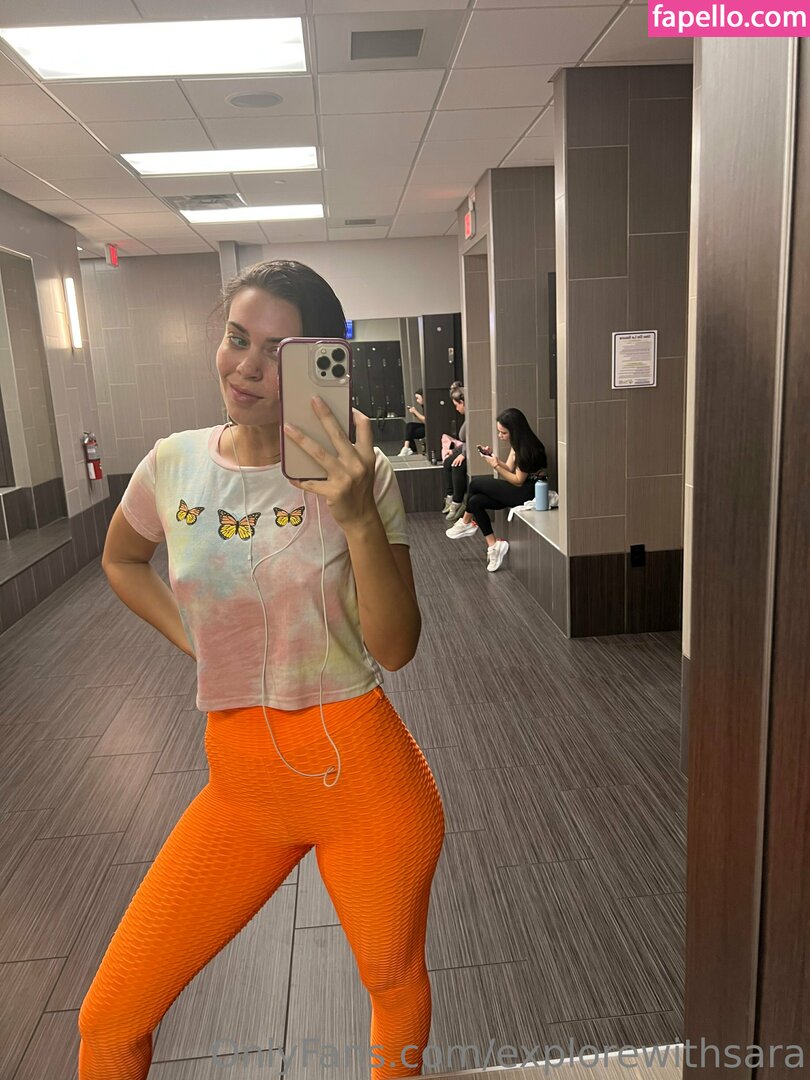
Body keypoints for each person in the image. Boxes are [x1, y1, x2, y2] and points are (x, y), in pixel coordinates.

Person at [78, 260, 446, 1080]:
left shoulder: (362, 476)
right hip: (242, 786)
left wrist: (356, 515)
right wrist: (197, 641)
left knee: (391, 983)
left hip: (365, 780)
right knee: (109, 1020)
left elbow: (396, 647)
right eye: (237, 338)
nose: (246, 366)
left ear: (318, 365)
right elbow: (122, 559)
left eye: (278, 353)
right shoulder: (172, 464)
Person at [445, 408, 547, 573]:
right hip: (520, 488)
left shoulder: (528, 448)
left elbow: (518, 481)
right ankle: (494, 545)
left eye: (503, 433)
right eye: (499, 432)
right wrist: (493, 458)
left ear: (515, 431)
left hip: (528, 492)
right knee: (475, 501)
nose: (500, 436)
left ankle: (466, 522)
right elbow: (509, 468)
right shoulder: (517, 444)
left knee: (475, 484)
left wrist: (496, 467)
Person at [441, 386, 468, 521]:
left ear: (462, 402)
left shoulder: (473, 417)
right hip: (466, 449)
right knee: (447, 462)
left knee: (457, 465)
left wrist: (463, 454)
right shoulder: (467, 417)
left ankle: (458, 501)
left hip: (473, 453)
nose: (456, 409)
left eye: (457, 405)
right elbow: (465, 442)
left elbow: (474, 440)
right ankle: (450, 496)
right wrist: (455, 451)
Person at [398, 388, 425, 456]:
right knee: (410, 426)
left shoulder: (429, 406)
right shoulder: (424, 406)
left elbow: (426, 420)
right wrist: (415, 414)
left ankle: (408, 449)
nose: (417, 400)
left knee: (410, 432)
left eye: (418, 398)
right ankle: (407, 447)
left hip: (431, 429)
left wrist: (415, 412)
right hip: (426, 426)